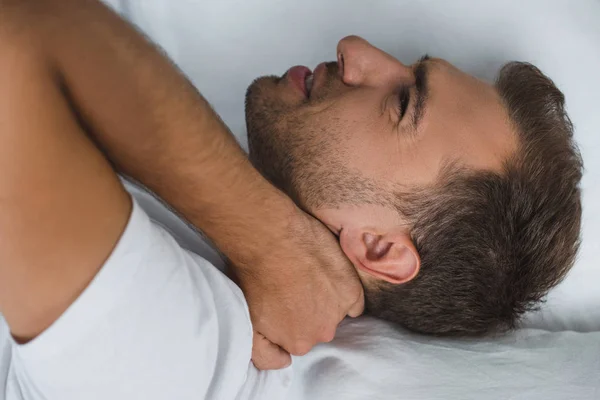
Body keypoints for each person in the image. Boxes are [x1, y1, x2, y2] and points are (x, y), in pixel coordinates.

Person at [0, 0, 582, 399]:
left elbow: (18, 45)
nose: (357, 50)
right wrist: (261, 237)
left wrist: (269, 240)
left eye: (403, 102)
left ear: (378, 247)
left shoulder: (194, 362)